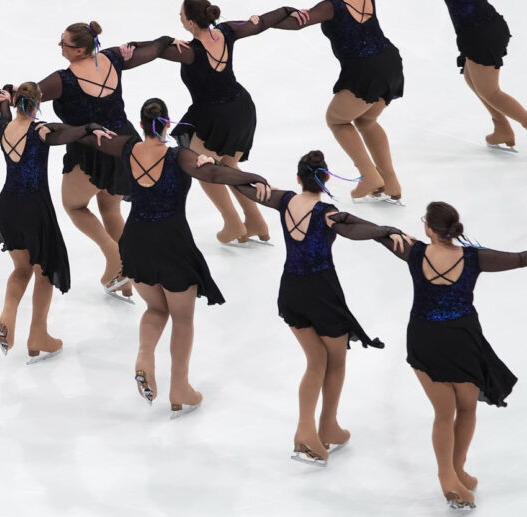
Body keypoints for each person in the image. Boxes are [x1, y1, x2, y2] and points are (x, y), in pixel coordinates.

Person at [81, 97, 270, 416]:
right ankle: (180, 387)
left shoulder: (127, 148)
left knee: (156, 308)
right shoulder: (180, 156)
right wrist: (253, 179)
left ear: (141, 125)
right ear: (167, 125)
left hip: (135, 241)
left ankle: (144, 358)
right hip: (172, 242)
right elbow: (217, 176)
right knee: (181, 318)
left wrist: (87, 128)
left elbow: (89, 138)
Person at [235, 150, 407, 466]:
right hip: (323, 293)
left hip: (291, 291)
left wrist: (244, 176)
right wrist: (388, 230)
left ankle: (315, 429)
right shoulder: (328, 213)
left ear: (299, 179)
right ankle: (319, 428)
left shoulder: (283, 200)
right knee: (336, 361)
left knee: (316, 361)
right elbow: (356, 227)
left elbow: (239, 186)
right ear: (326, 179)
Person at [355, 201, 522, 509]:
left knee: (445, 413)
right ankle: (451, 473)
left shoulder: (412, 251)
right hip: (463, 339)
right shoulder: (474, 258)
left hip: (425, 337)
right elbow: (519, 259)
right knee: (467, 409)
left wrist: (387, 230)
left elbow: (371, 232)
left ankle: (453, 472)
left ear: (428, 228)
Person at [128, 0, 293, 246]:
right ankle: (255, 219)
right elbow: (258, 25)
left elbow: (156, 51)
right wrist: (286, 10)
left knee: (204, 169)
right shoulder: (227, 31)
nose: (180, 17)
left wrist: (140, 44)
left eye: (182, 14)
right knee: (229, 165)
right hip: (241, 107)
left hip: (214, 115)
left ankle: (233, 223)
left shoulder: (189, 51)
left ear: (191, 22)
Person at [270, 0, 422, 203]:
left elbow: (298, 23)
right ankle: (391, 182)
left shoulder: (332, 6)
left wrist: (264, 22)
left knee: (337, 120)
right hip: (389, 62)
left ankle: (370, 177)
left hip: (365, 71)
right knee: (366, 121)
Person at [35, 21, 172, 301]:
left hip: (91, 149)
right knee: (110, 209)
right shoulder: (111, 58)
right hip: (123, 144)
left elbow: (28, 95)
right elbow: (151, 49)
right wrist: (166, 39)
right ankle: (123, 280)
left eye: (65, 44)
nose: (60, 46)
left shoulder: (64, 79)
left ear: (80, 50)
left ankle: (115, 257)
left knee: (74, 206)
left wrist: (6, 94)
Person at [0, 82, 114, 363]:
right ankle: (38, 334)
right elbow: (73, 133)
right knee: (45, 270)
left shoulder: (4, 125)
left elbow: (3, 103)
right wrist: (90, 126)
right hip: (35, 209)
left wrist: (4, 97)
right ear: (38, 104)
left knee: (21, 270)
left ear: (16, 102)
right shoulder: (42, 132)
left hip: (7, 206)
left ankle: (7, 313)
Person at [400, 0, 525, 150]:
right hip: (483, 29)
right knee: (471, 78)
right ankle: (501, 127)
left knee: (491, 91)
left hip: (483, 36)